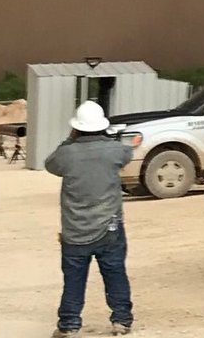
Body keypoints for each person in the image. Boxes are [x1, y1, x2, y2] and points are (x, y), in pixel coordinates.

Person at [44, 100, 135, 336]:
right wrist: (110, 138)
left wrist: (69, 140)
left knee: (74, 280)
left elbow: (50, 164)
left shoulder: (66, 154)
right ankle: (121, 321)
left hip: (75, 231)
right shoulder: (115, 150)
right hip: (109, 227)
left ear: (76, 127)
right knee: (115, 274)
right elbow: (128, 154)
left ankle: (69, 325)